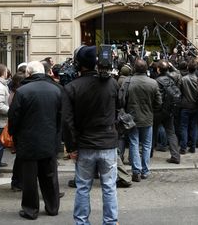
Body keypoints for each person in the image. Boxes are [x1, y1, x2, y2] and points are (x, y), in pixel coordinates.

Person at [63, 45, 119, 224]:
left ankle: (81, 222)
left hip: (85, 145)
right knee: (109, 187)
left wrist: (71, 147)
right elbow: (120, 108)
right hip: (107, 143)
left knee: (83, 187)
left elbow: (67, 122)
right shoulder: (112, 83)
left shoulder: (72, 87)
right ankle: (110, 222)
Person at [8, 61, 62, 220]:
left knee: (30, 178)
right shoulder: (56, 89)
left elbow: (14, 117)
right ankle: (52, 207)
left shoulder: (22, 91)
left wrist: (14, 134)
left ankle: (31, 210)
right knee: (50, 175)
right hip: (50, 139)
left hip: (28, 140)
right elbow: (60, 117)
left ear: (28, 74)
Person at [120, 58, 162, 182]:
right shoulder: (153, 83)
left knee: (134, 143)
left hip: (131, 118)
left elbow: (121, 100)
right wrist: (151, 109)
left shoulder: (128, 82)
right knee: (146, 145)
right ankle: (145, 170)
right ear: (146, 69)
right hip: (147, 118)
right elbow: (158, 103)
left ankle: (136, 171)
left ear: (134, 68)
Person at [153, 60, 181, 164]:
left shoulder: (156, 81)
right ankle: (175, 156)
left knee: (152, 132)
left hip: (158, 111)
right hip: (169, 110)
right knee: (171, 133)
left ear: (158, 69)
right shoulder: (172, 79)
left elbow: (156, 98)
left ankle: (148, 154)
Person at [178, 58, 198, 155]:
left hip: (185, 105)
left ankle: (183, 148)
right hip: (195, 105)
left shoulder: (183, 79)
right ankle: (193, 147)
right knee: (193, 126)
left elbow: (179, 92)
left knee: (184, 127)